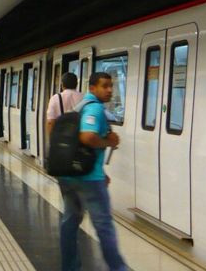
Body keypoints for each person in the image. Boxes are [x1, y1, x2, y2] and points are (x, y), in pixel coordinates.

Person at [58, 72, 126, 271]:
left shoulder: (79, 106)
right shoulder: (95, 108)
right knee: (104, 226)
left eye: (111, 85)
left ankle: (69, 267)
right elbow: (87, 137)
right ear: (92, 88)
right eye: (104, 86)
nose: (110, 90)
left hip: (69, 175)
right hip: (88, 180)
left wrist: (101, 171)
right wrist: (109, 141)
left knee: (69, 222)